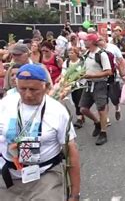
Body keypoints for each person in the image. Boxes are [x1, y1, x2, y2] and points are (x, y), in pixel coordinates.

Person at [0, 64, 80, 200]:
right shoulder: (5, 104)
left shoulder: (57, 111)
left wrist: (75, 192)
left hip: (45, 175)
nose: (27, 94)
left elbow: (71, 151)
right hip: (9, 177)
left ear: (47, 87)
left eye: (33, 89)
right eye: (22, 89)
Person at [79, 33, 112, 146]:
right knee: (83, 109)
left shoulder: (101, 55)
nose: (84, 42)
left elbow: (108, 72)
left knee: (101, 109)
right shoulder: (87, 54)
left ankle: (103, 133)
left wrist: (92, 76)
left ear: (92, 42)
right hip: (88, 84)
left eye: (86, 40)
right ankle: (97, 122)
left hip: (99, 84)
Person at [97, 36, 125, 121]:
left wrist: (122, 74)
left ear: (105, 40)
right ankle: (106, 118)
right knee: (104, 97)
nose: (99, 42)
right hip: (101, 75)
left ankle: (117, 108)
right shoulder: (97, 50)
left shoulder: (113, 48)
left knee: (114, 97)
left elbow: (121, 60)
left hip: (113, 75)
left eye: (101, 40)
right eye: (98, 41)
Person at [61, 47, 86, 129]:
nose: (70, 54)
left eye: (72, 53)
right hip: (71, 84)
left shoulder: (82, 61)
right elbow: (64, 72)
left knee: (79, 99)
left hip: (81, 83)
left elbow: (84, 72)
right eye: (69, 53)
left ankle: (79, 118)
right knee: (75, 100)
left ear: (76, 53)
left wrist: (78, 77)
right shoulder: (67, 62)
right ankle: (81, 115)